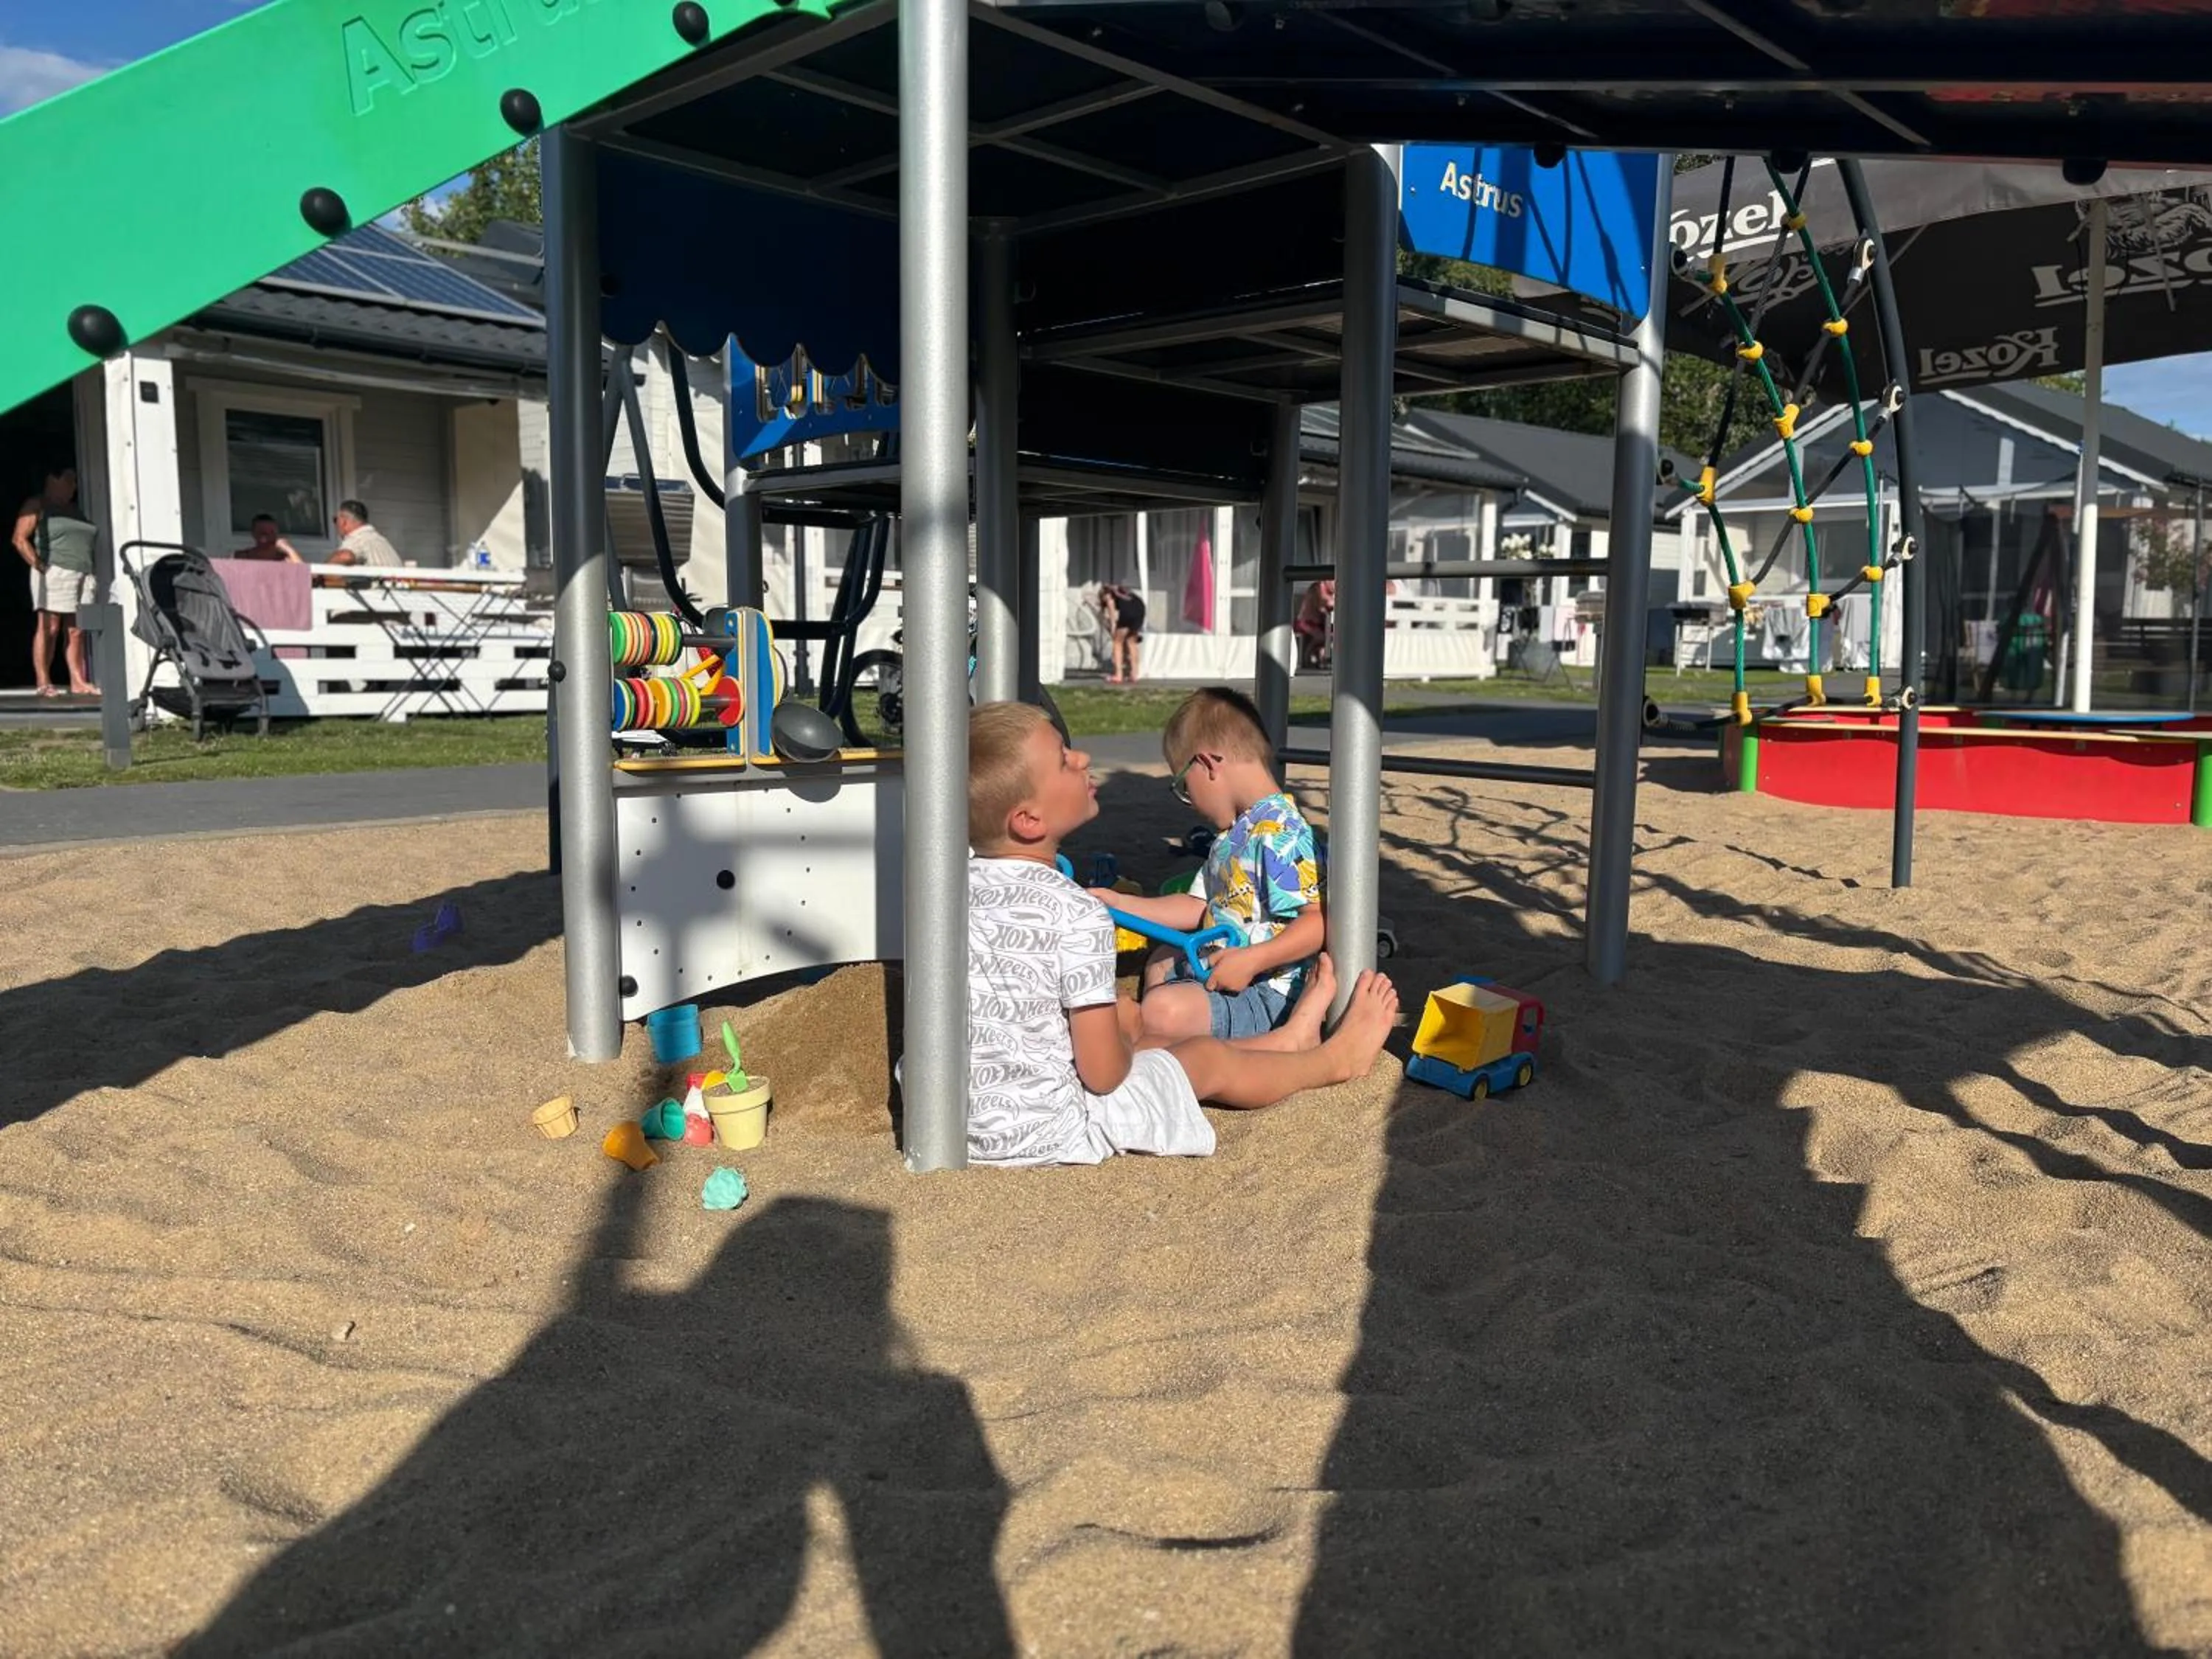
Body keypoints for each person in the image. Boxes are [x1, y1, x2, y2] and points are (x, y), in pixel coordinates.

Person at [963, 700, 1396, 1169]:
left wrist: (1121, 909)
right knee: (1203, 1058)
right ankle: (1332, 1059)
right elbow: (1104, 1076)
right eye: (1064, 760)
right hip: (1062, 1125)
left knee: (1163, 1015)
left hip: (964, 1124)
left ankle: (1289, 1041)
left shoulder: (955, 891)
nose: (1083, 757)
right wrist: (1123, 1030)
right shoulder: (1077, 914)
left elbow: (1310, 915)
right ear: (1028, 820)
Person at [1096, 686, 1324, 1046]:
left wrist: (1252, 960)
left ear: (1206, 765)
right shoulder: (1233, 834)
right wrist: (1121, 904)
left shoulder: (1281, 832)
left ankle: (1157, 1035)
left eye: (1184, 787)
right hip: (1221, 970)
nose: (1189, 802)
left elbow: (1316, 922)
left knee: (1163, 1009)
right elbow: (1197, 906)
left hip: (1265, 990)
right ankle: (1163, 1036)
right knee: (1161, 959)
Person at [11, 461, 99, 698]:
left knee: (77, 630)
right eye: (69, 480)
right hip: (54, 572)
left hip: (83, 573)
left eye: (74, 481)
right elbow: (19, 539)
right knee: (49, 627)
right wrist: (40, 566)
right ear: (53, 480)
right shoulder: (38, 504)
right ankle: (44, 681)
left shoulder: (75, 510)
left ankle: (78, 681)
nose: (74, 486)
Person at [328, 500, 400, 567]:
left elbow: (346, 556)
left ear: (343, 522)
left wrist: (324, 570)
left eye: (335, 520)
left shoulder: (357, 538)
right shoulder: (380, 540)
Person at [1103, 582, 1145, 684]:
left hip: (1128, 612)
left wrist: (1113, 628)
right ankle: (1134, 674)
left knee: (1117, 642)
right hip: (1140, 609)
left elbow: (1112, 615)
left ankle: (1118, 675)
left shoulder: (1109, 595)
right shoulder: (1125, 592)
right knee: (1132, 642)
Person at [1293, 577, 1335, 669]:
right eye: (1333, 582)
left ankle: (1322, 658)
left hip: (1320, 623)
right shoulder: (1317, 588)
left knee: (1332, 635)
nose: (1335, 585)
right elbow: (1323, 604)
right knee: (1322, 637)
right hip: (1306, 622)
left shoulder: (1329, 592)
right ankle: (1307, 658)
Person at [231, 514, 304, 563]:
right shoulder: (243, 557)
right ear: (254, 534)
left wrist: (289, 549)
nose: (267, 536)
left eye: (271, 532)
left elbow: (304, 573)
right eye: (262, 532)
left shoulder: (285, 559)